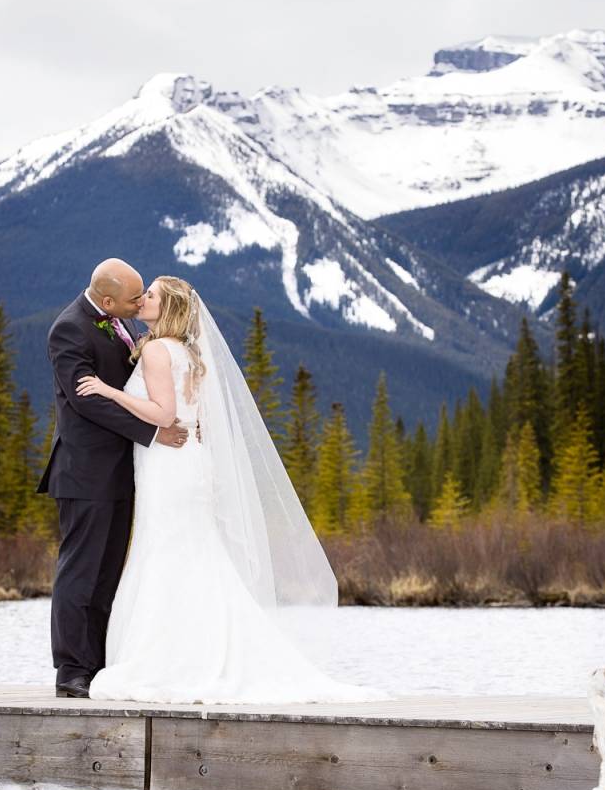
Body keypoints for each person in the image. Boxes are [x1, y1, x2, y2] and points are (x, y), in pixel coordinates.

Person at [77, 275, 379, 704]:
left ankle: (173, 660)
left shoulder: (159, 351)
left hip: (169, 466)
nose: (143, 299)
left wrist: (109, 391)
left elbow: (164, 414)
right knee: (193, 554)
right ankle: (203, 651)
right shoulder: (187, 352)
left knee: (167, 554)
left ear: (168, 309)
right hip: (187, 463)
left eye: (152, 296)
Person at [38, 260, 188, 699]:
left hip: (122, 470)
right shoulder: (68, 330)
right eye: (132, 299)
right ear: (107, 301)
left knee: (108, 574)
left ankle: (97, 662)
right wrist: (153, 432)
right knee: (80, 572)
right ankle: (71, 668)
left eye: (145, 296)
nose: (140, 303)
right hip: (85, 472)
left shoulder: (117, 324)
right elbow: (89, 403)